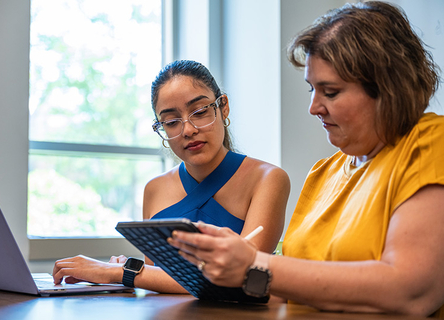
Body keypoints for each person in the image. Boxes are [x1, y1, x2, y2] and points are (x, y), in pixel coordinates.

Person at [169, 2, 444, 317]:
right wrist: (237, 261)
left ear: (387, 88)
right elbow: (293, 286)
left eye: (330, 92)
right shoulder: (324, 172)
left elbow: (411, 290)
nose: (314, 107)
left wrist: (255, 263)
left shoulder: (431, 144)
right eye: (312, 90)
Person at [52, 60, 290, 294]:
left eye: (199, 111)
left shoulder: (268, 180)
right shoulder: (154, 189)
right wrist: (125, 270)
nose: (188, 130)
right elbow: (155, 281)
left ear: (223, 106)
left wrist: (119, 272)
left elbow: (241, 276)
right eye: (172, 121)